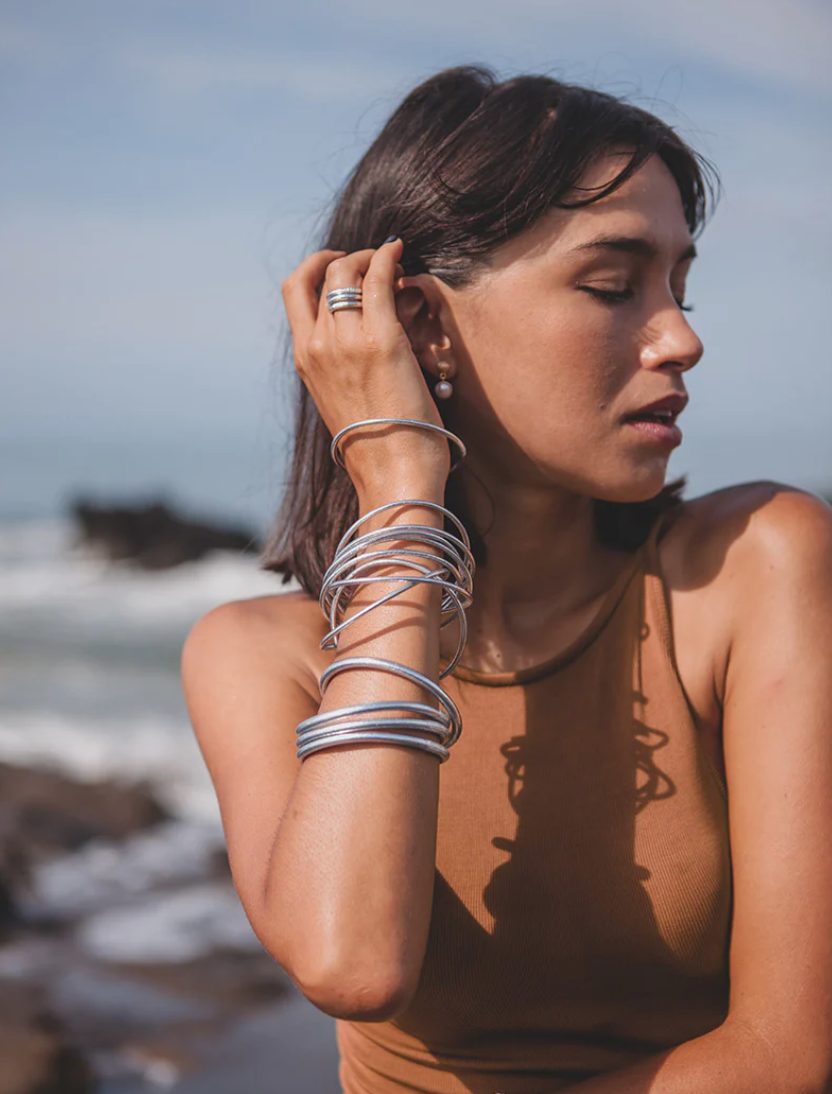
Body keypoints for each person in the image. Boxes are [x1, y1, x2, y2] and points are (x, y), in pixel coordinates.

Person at [180, 66, 832, 1093]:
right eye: (615, 285)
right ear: (419, 326)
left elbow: (787, 1053)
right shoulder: (255, 654)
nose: (681, 337)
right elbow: (354, 961)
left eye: (679, 285)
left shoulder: (753, 567)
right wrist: (400, 485)